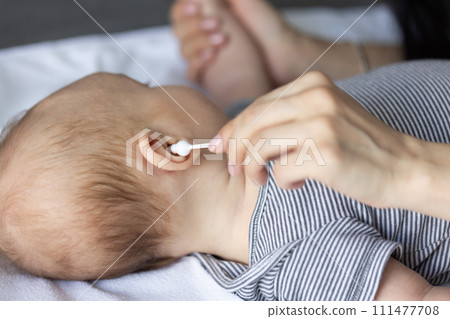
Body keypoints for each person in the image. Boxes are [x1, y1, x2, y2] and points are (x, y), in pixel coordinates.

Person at [0, 0, 449, 302]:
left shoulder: (235, 135)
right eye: (149, 86)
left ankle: (292, 49)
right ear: (165, 149)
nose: (169, 82)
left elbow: (238, 81)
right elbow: (423, 304)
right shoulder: (295, 256)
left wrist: (216, 28)